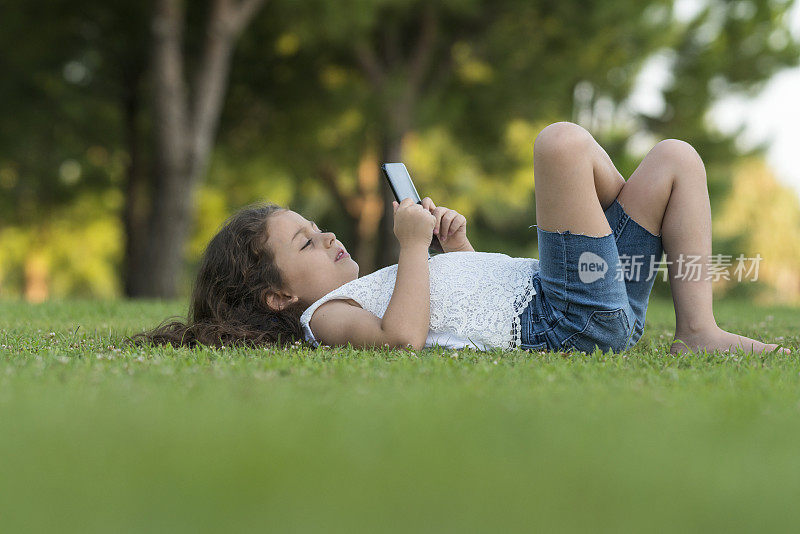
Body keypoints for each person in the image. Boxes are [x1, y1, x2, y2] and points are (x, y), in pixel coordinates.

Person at [129, 121, 791, 355]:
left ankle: (696, 328)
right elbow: (403, 340)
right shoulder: (325, 316)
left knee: (675, 158)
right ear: (276, 297)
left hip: (577, 295)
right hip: (565, 318)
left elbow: (469, 311)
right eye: (305, 244)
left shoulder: (368, 286)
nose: (326, 234)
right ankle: (616, 249)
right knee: (560, 146)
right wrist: (413, 249)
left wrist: (455, 251)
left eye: (315, 227)